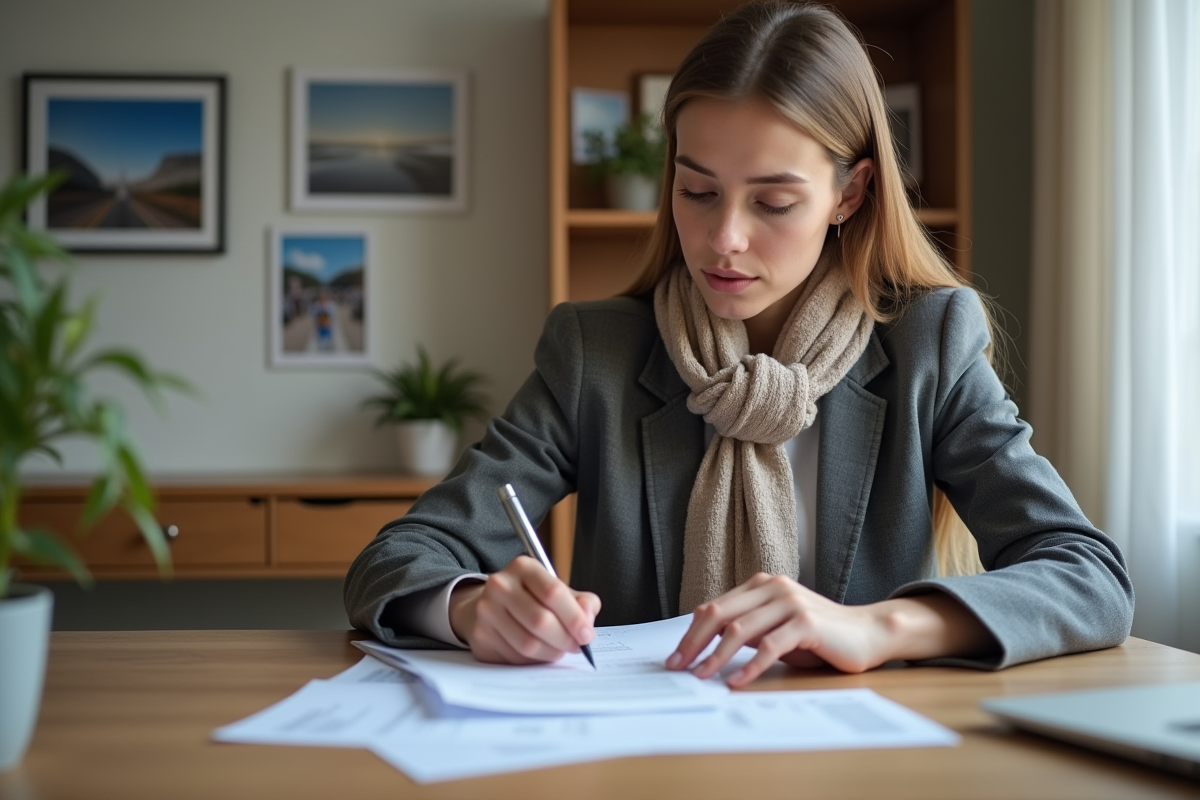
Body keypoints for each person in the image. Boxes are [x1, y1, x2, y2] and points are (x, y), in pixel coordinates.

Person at [344, 0, 1133, 687]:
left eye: (774, 201)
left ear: (849, 194)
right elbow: (400, 556)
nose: (723, 238)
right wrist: (474, 607)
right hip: (640, 756)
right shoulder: (595, 352)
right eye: (697, 191)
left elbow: (1087, 576)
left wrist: (875, 628)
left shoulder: (928, 343)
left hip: (864, 759)